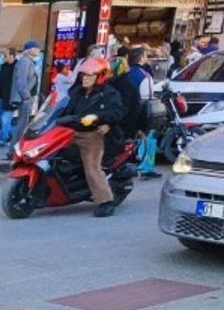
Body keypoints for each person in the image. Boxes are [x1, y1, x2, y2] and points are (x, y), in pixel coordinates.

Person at [62, 56, 126, 218]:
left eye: (89, 75)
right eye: (83, 75)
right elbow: (62, 107)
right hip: (69, 132)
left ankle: (105, 201)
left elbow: (117, 112)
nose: (85, 78)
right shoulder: (76, 92)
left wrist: (100, 119)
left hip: (92, 134)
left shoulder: (109, 94)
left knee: (92, 166)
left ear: (100, 76)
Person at [120, 47, 161, 180]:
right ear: (142, 58)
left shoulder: (123, 73)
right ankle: (145, 167)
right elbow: (147, 99)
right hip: (137, 112)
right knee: (148, 136)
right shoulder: (144, 76)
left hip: (121, 112)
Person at [9, 39, 42, 153]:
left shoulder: (28, 61)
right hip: (25, 98)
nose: (38, 50)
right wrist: (26, 97)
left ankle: (15, 149)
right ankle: (14, 150)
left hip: (27, 98)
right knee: (22, 125)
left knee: (23, 124)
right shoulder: (24, 62)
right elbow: (21, 81)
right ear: (30, 49)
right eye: (36, 48)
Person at [0, 48, 18, 145]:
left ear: (12, 56)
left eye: (5, 55)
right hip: (1, 96)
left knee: (5, 119)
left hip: (11, 97)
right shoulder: (3, 66)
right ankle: (13, 133)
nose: (3, 57)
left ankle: (3, 139)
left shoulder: (18, 67)